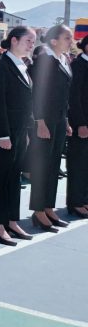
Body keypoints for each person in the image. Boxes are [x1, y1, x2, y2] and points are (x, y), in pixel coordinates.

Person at [0, 26, 36, 245]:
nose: (31, 45)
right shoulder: (1, 67)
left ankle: (11, 220)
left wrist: (25, 131)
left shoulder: (23, 66)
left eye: (33, 42)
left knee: (14, 178)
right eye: (28, 41)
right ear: (14, 40)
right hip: (4, 133)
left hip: (19, 131)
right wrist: (4, 135)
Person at [28, 24, 73, 230]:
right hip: (44, 121)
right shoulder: (44, 60)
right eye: (67, 38)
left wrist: (66, 121)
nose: (70, 41)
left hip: (59, 119)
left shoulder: (63, 60)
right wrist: (40, 121)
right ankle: (38, 211)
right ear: (53, 40)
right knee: (42, 167)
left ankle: (48, 207)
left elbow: (64, 95)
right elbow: (37, 94)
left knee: (54, 166)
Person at [67, 35, 88, 217]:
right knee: (78, 165)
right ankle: (75, 202)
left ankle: (85, 198)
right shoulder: (78, 66)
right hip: (81, 124)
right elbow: (74, 98)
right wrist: (80, 123)